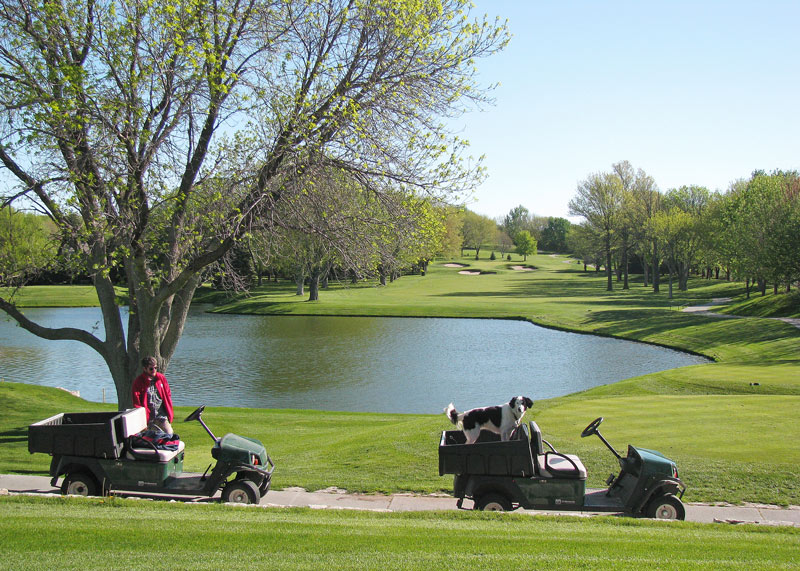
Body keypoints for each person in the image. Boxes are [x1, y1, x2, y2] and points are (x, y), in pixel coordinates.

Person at [131, 356, 174, 435]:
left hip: (161, 416)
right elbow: (136, 402)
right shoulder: (138, 382)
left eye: (155, 368)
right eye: (151, 369)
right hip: (148, 419)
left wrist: (169, 413)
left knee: (169, 434)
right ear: (144, 369)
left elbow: (168, 395)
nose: (154, 370)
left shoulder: (161, 378)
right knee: (153, 438)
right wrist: (143, 420)